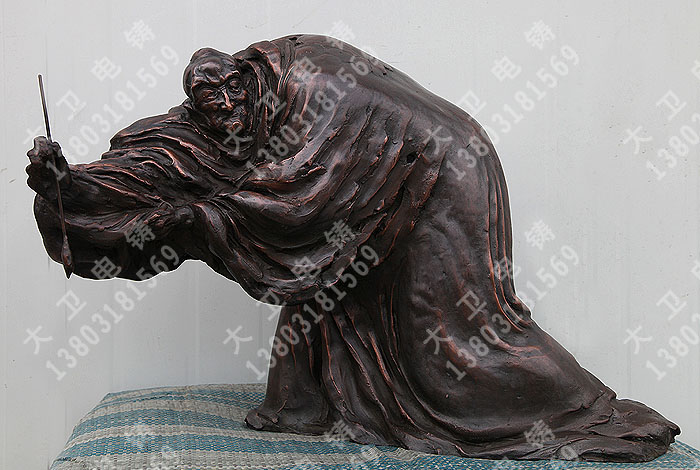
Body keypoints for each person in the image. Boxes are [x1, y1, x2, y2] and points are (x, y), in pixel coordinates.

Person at [26, 34, 680, 462]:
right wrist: (69, 185)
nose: (220, 106)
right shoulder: (228, 113)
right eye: (206, 102)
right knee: (325, 275)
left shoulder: (309, 85)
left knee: (452, 343)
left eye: (226, 94)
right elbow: (159, 162)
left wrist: (200, 218)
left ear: (246, 79)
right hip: (382, 191)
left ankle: (577, 405)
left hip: (444, 175)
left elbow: (299, 207)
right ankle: (303, 405)